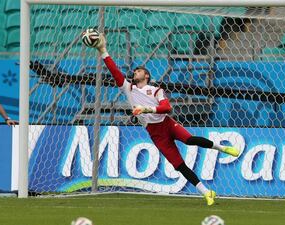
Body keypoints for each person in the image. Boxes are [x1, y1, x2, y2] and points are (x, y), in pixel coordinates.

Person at [92, 34, 240, 206]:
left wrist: (146, 109)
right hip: (155, 133)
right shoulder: (128, 88)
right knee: (179, 165)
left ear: (146, 76)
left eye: (139, 70)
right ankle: (207, 192)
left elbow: (167, 108)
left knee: (190, 140)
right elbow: (114, 71)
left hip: (167, 124)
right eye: (135, 71)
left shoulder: (156, 90)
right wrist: (103, 50)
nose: (135, 72)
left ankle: (222, 147)